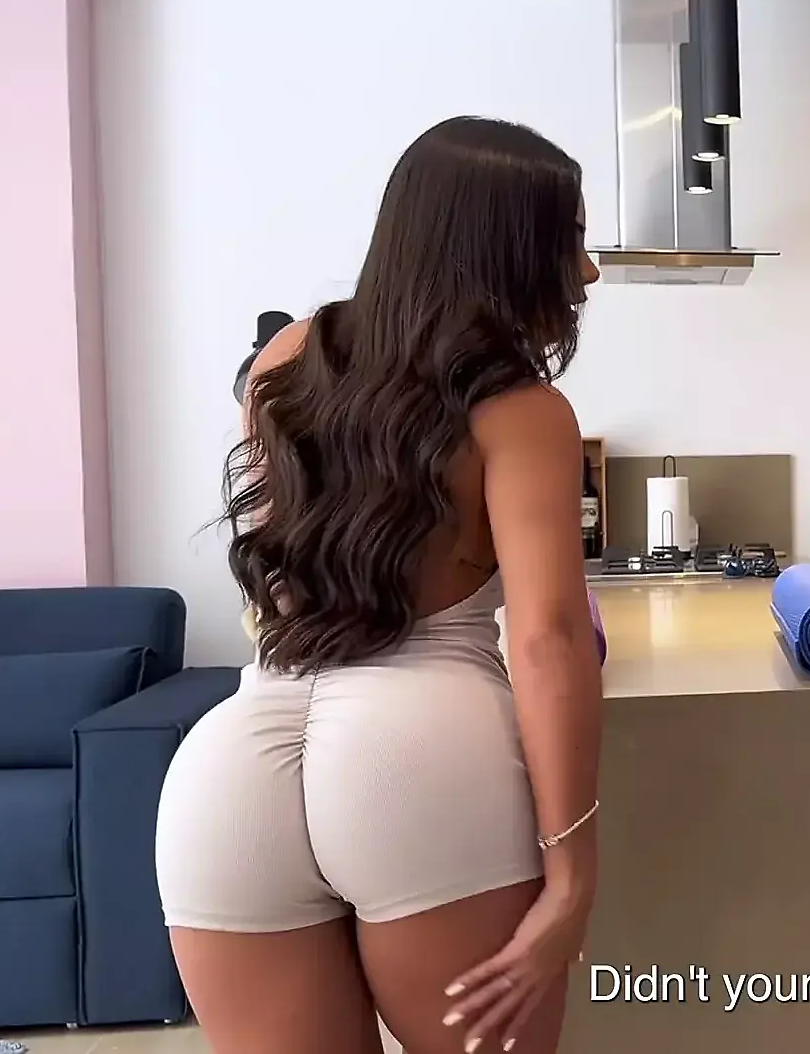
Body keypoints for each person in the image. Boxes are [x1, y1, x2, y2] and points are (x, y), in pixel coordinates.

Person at [155, 116, 606, 1054]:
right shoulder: (522, 411)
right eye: (570, 240)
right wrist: (573, 876)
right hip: (421, 757)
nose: (588, 272)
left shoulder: (284, 360)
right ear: (506, 248)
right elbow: (548, 641)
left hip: (232, 766)